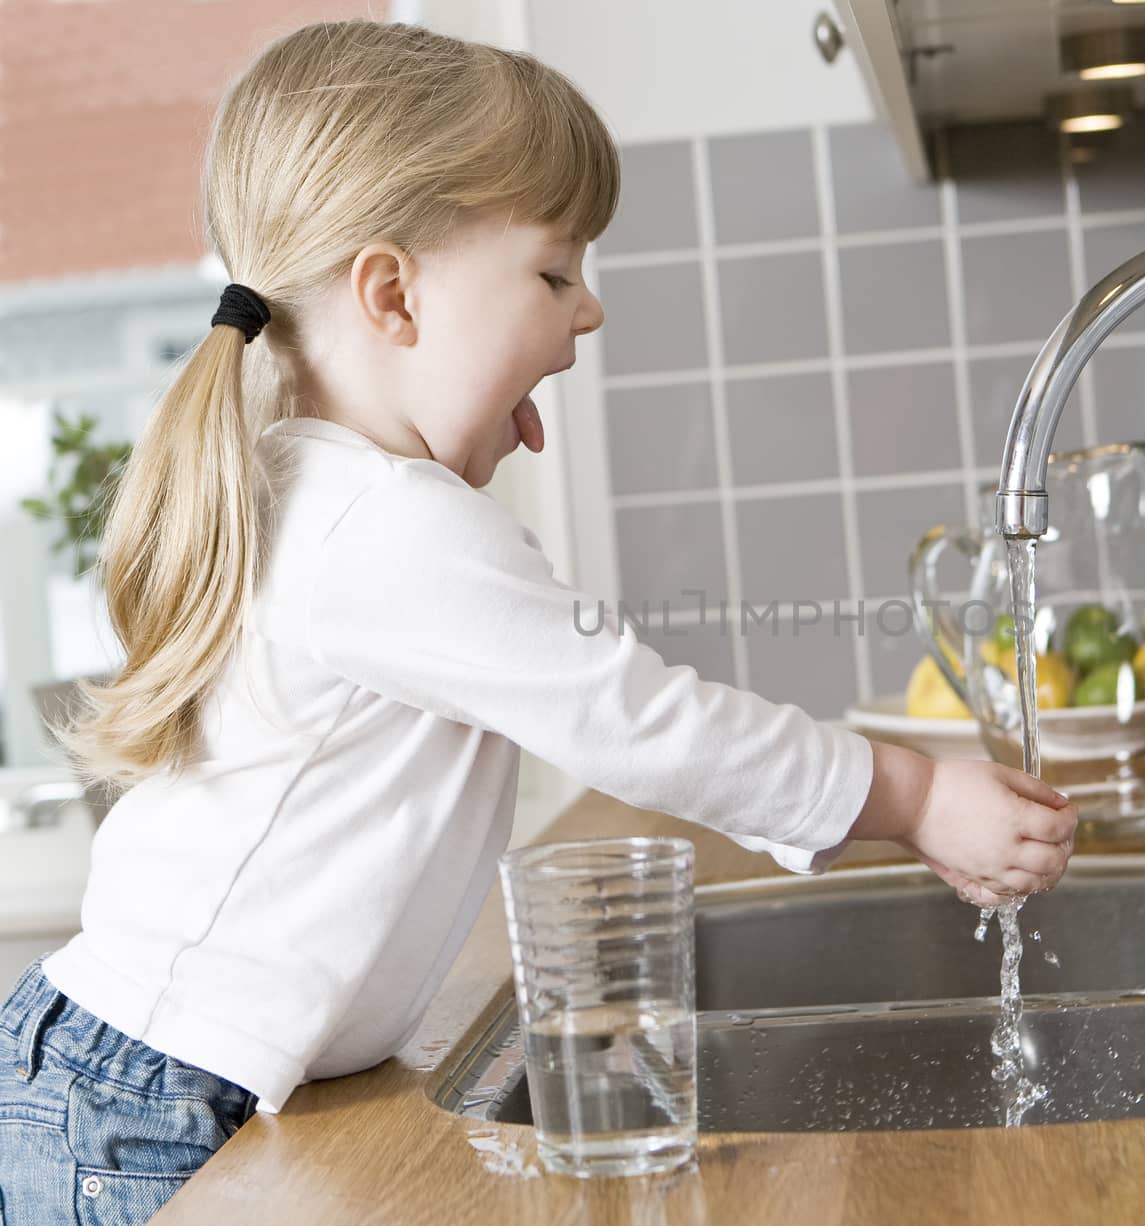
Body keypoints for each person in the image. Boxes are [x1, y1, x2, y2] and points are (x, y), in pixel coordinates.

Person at [0, 18, 1076, 1222]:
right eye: (555, 273)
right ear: (393, 293)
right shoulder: (383, 523)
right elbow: (638, 718)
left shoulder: (324, 496)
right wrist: (912, 796)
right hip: (148, 1102)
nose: (590, 310)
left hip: (120, 1074)